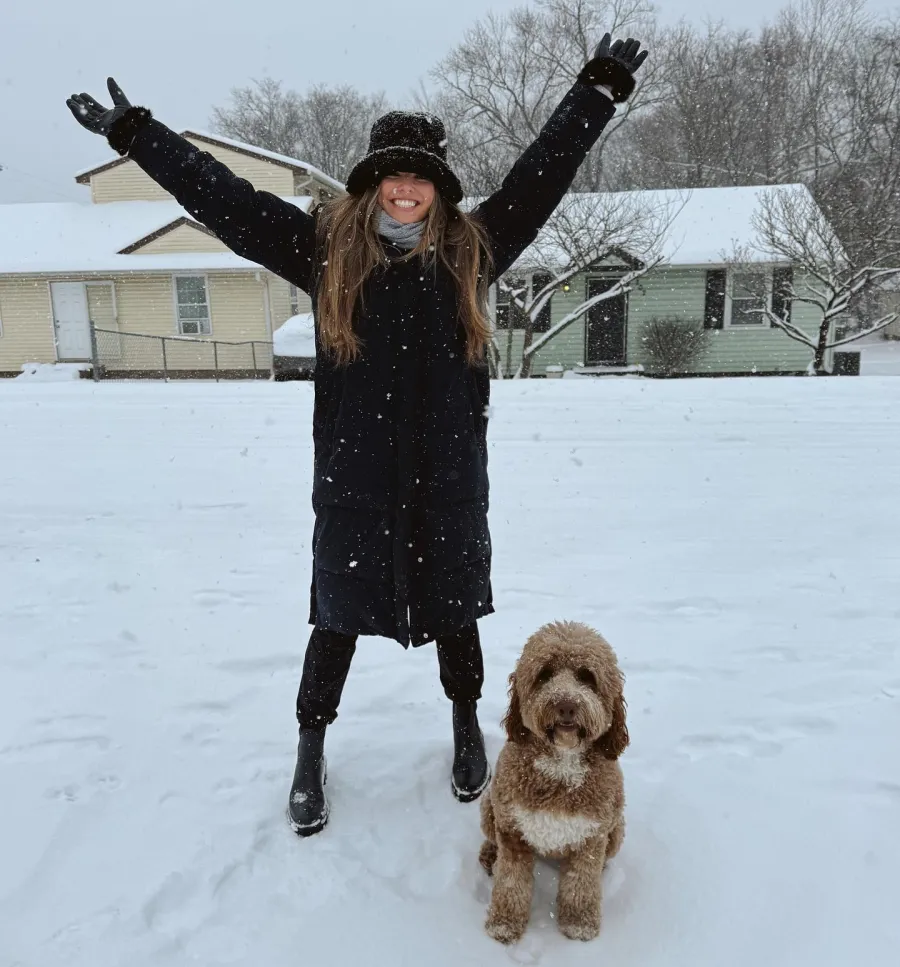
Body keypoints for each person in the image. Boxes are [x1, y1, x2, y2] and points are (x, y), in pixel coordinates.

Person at [67, 33, 648, 837]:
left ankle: (463, 729)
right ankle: (310, 745)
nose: (404, 190)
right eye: (391, 176)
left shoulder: (471, 253)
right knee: (334, 618)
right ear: (371, 184)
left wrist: (595, 92)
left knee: (455, 614)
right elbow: (226, 200)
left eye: (419, 177)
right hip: (357, 482)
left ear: (437, 189)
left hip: (446, 479)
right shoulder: (324, 249)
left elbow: (542, 175)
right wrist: (139, 137)